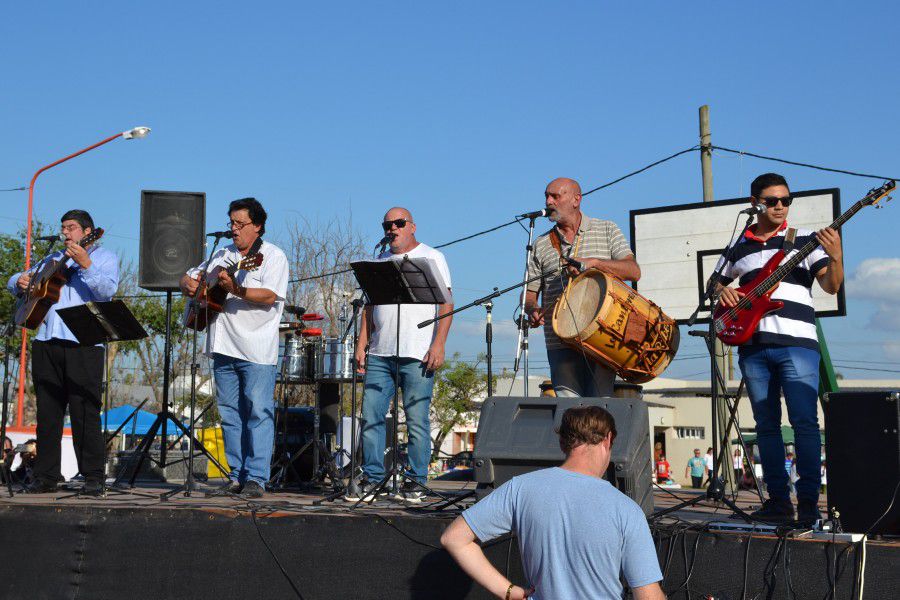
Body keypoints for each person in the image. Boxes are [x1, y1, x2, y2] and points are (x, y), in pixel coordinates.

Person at [715, 172, 843, 525]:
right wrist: (721, 292)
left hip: (798, 344)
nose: (781, 206)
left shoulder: (803, 239)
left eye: (786, 200)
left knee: (804, 423)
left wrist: (836, 256)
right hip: (753, 345)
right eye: (772, 201)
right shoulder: (739, 245)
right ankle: (777, 501)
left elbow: (831, 286)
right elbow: (715, 282)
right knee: (766, 425)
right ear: (755, 202)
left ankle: (807, 503)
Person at [441, 406, 664, 599]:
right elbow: (648, 596)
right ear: (607, 439)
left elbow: (454, 538)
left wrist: (506, 590)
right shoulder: (626, 509)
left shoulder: (520, 488)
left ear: (562, 442)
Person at [181, 198, 288, 499]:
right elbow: (191, 276)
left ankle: (256, 477)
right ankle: (235, 475)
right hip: (222, 345)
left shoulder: (272, 256)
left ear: (258, 226)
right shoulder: (221, 253)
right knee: (229, 414)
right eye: (231, 223)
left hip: (255, 348)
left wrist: (236, 289)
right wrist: (187, 283)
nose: (234, 229)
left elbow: (269, 296)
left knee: (257, 412)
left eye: (240, 224)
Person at [6, 210, 118, 495]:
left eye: (71, 228)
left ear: (87, 231)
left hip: (84, 343)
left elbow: (106, 291)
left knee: (85, 412)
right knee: (48, 412)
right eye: (63, 227)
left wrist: (86, 263)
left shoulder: (104, 257)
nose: (66, 232)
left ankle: (93, 477)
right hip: (47, 340)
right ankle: (45, 477)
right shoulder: (52, 258)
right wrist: (18, 280)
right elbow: (19, 280)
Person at [348, 207, 453, 503]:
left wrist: (439, 344)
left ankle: (416, 481)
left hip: (417, 354)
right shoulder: (380, 261)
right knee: (370, 416)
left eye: (399, 223)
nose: (392, 228)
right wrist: (361, 343)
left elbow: (446, 305)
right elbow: (370, 306)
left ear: (412, 227)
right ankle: (372, 477)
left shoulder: (432, 257)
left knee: (416, 419)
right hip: (381, 353)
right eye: (387, 224)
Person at [524, 177, 640, 397]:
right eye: (547, 196)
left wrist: (596, 264)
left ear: (576, 199)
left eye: (555, 196)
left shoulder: (606, 229)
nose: (549, 201)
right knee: (569, 412)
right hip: (559, 340)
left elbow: (633, 271)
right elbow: (530, 294)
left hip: (601, 336)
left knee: (598, 409)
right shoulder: (540, 243)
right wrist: (532, 309)